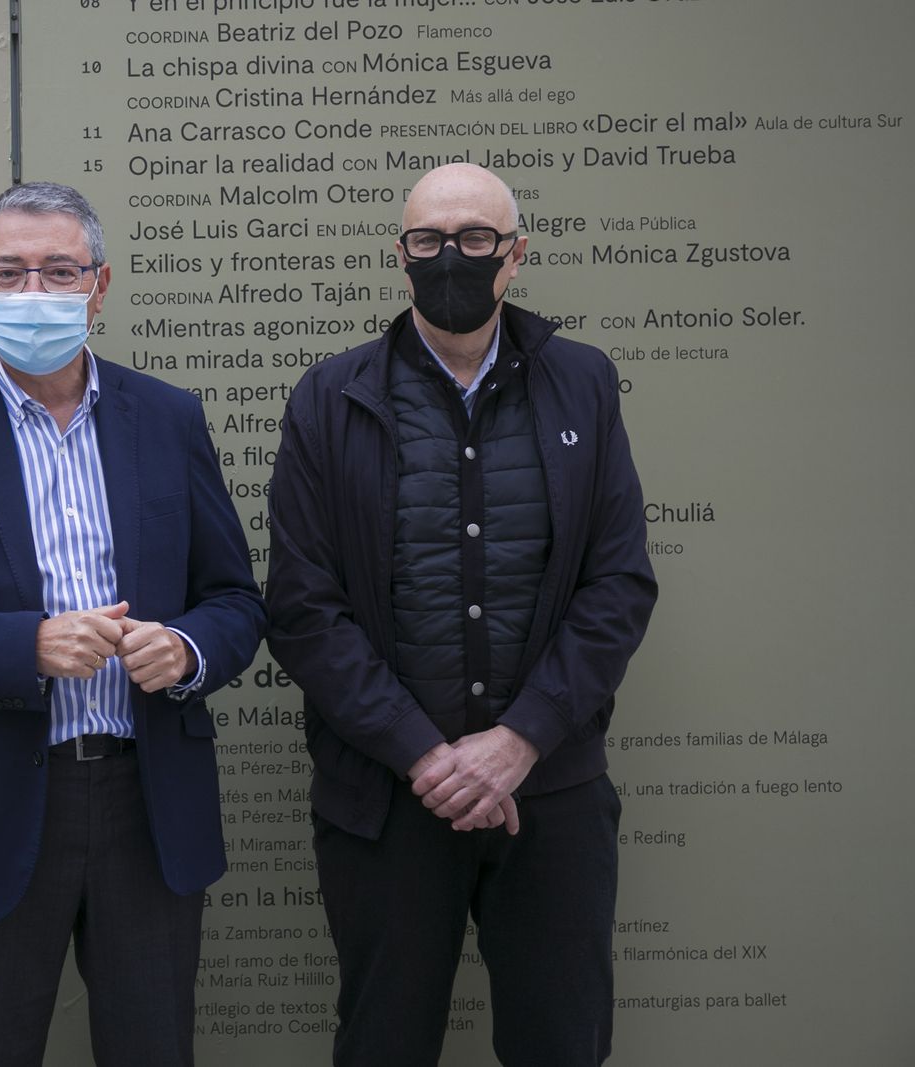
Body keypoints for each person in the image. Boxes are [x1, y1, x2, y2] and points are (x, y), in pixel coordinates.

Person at [0, 181, 265, 1067]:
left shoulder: (169, 419)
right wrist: (23, 645)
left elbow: (235, 601)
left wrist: (184, 648)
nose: (34, 291)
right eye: (11, 271)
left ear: (98, 285)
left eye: (59, 270)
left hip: (147, 804)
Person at [265, 163, 657, 1066]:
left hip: (550, 792)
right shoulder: (329, 400)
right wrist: (426, 754)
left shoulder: (584, 386)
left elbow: (617, 585)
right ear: (400, 259)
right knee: (383, 1043)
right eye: (429, 240)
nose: (452, 257)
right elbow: (303, 606)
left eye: (476, 238)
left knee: (562, 1042)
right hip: (389, 801)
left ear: (515, 256)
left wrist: (519, 741)